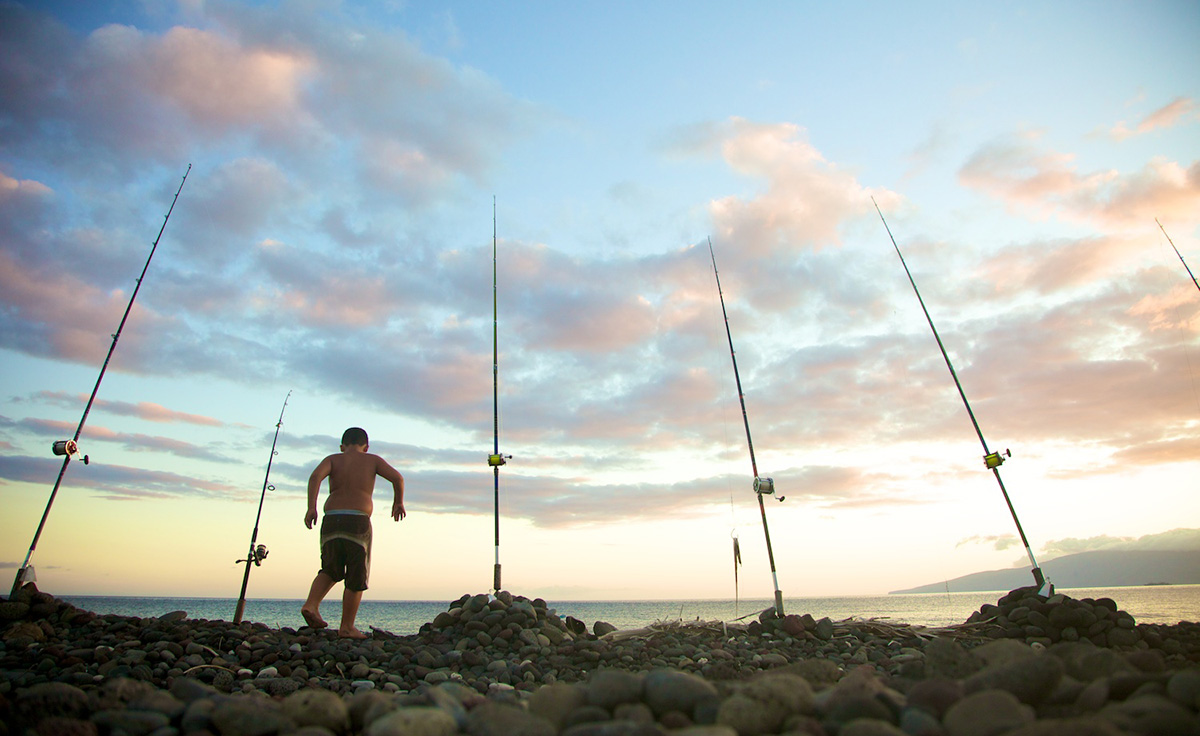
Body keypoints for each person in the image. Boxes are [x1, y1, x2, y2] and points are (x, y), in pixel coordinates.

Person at [301, 427, 405, 638]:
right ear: (366, 447)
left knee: (330, 569)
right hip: (357, 521)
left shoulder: (333, 459)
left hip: (331, 519)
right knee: (356, 575)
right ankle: (347, 627)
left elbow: (314, 478)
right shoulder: (372, 460)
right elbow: (397, 478)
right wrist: (398, 502)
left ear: (342, 446)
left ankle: (311, 605)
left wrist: (311, 507)